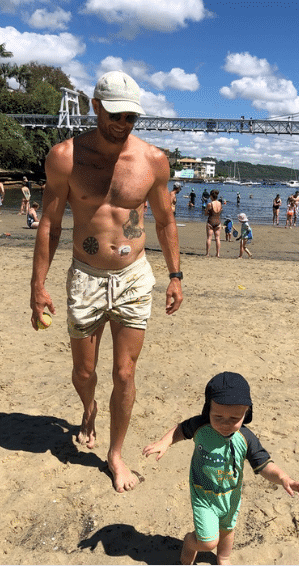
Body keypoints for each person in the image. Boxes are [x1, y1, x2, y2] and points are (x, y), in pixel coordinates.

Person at [30, 70, 183, 493]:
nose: (123, 124)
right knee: (84, 372)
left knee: (125, 372)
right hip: (86, 276)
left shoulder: (153, 160)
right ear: (95, 107)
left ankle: (116, 454)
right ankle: (88, 407)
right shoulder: (65, 157)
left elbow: (167, 219)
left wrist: (175, 275)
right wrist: (37, 286)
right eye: (116, 114)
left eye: (132, 116)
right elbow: (49, 224)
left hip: (134, 276)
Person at [142, 371, 299, 565]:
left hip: (231, 495)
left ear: (246, 413)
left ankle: (224, 557)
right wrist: (165, 442)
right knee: (208, 541)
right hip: (203, 493)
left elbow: (263, 464)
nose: (225, 424)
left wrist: (284, 478)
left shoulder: (246, 438)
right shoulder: (200, 426)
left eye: (234, 418)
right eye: (217, 416)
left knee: (228, 530)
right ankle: (190, 543)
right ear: (208, 409)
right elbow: (180, 430)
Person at [205, 189, 222, 258]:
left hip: (211, 221)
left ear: (211, 196)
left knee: (209, 238)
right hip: (218, 221)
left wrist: (207, 211)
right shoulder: (220, 203)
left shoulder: (210, 204)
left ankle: (207, 253)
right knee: (217, 238)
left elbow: (206, 214)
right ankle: (217, 253)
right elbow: (220, 211)